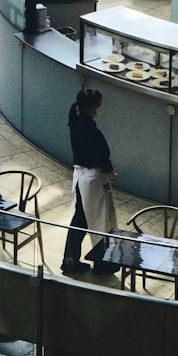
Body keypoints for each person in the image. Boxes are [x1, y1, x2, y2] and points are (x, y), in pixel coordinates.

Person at [61, 88, 118, 275]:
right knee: (100, 220)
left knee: (79, 219)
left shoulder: (75, 122)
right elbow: (102, 155)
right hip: (93, 180)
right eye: (98, 105)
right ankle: (103, 264)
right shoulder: (91, 130)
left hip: (80, 178)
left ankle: (70, 260)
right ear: (91, 108)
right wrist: (110, 172)